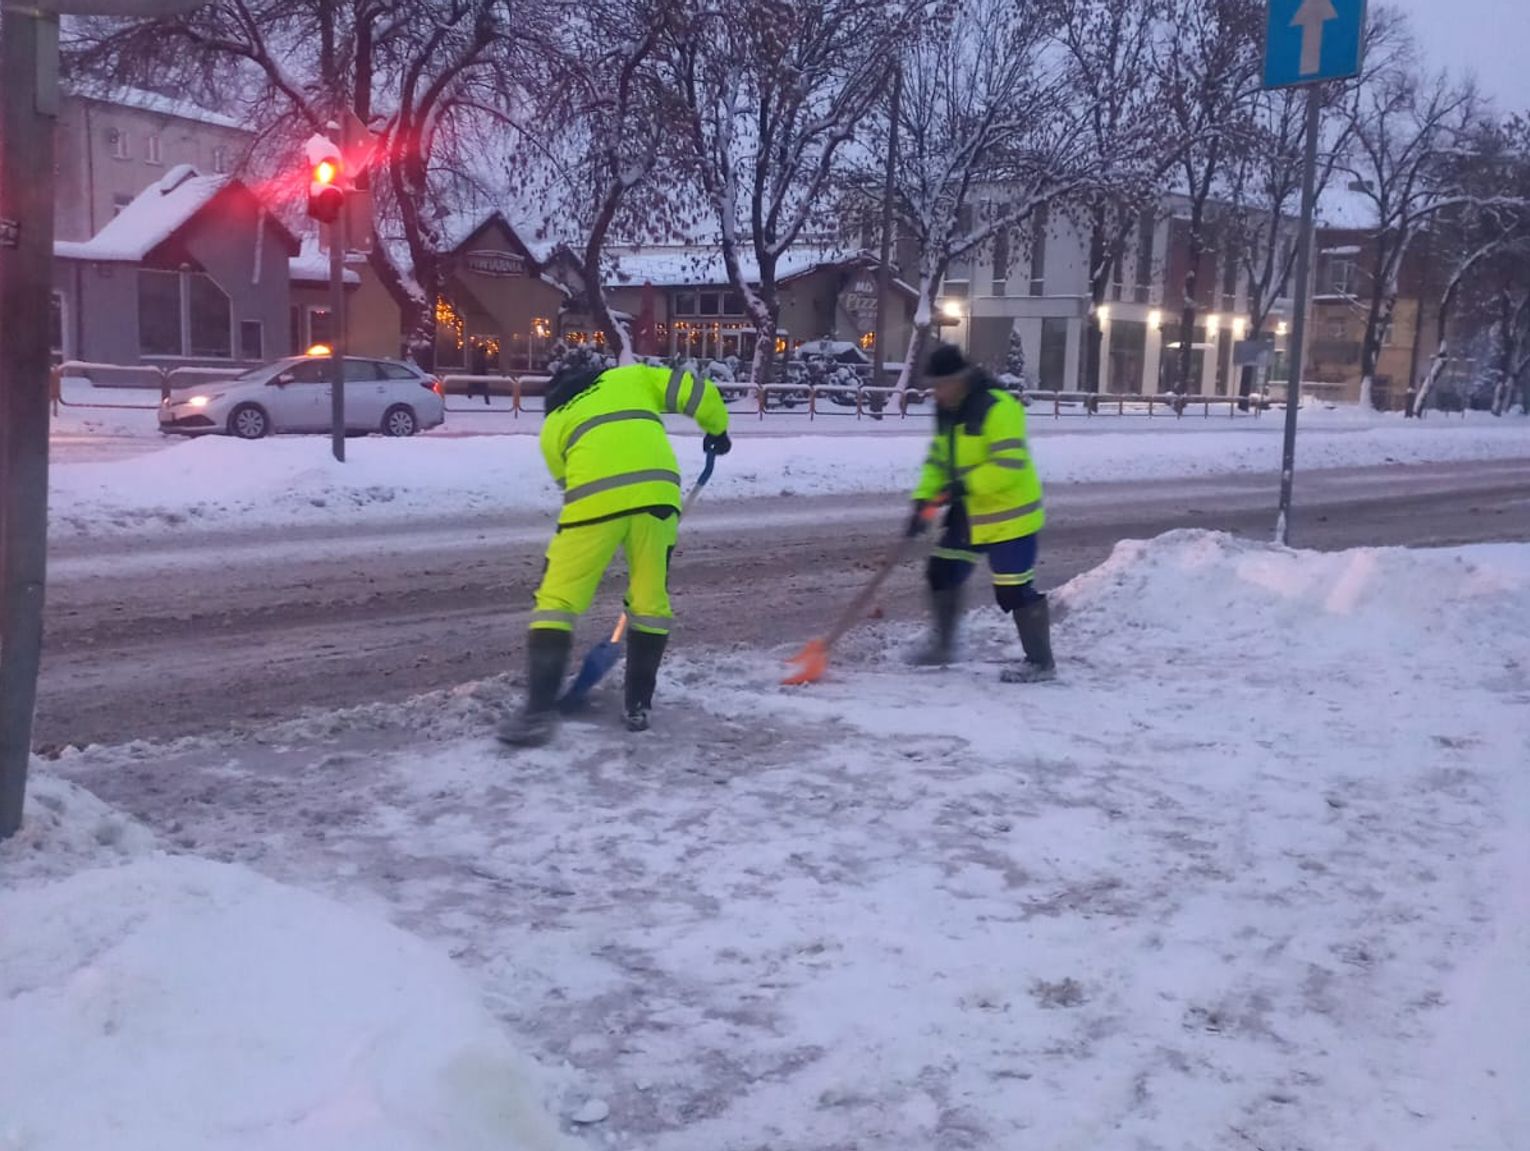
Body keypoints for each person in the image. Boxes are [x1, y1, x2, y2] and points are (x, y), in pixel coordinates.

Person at [498, 361, 732, 746]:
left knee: (557, 599)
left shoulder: (553, 424)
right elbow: (699, 393)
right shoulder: (631, 376)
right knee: (649, 599)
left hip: (593, 499)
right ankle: (638, 705)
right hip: (657, 492)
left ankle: (537, 712)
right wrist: (717, 430)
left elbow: (567, 480)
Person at [907, 343, 1054, 682]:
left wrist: (962, 486)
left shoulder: (998, 407)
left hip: (1010, 518)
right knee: (942, 570)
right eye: (933, 386)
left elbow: (1009, 465)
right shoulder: (946, 411)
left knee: (1013, 591)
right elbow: (938, 461)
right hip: (970, 513)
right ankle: (943, 646)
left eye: (941, 385)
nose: (936, 393)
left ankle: (1041, 663)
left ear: (960, 379)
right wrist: (923, 501)